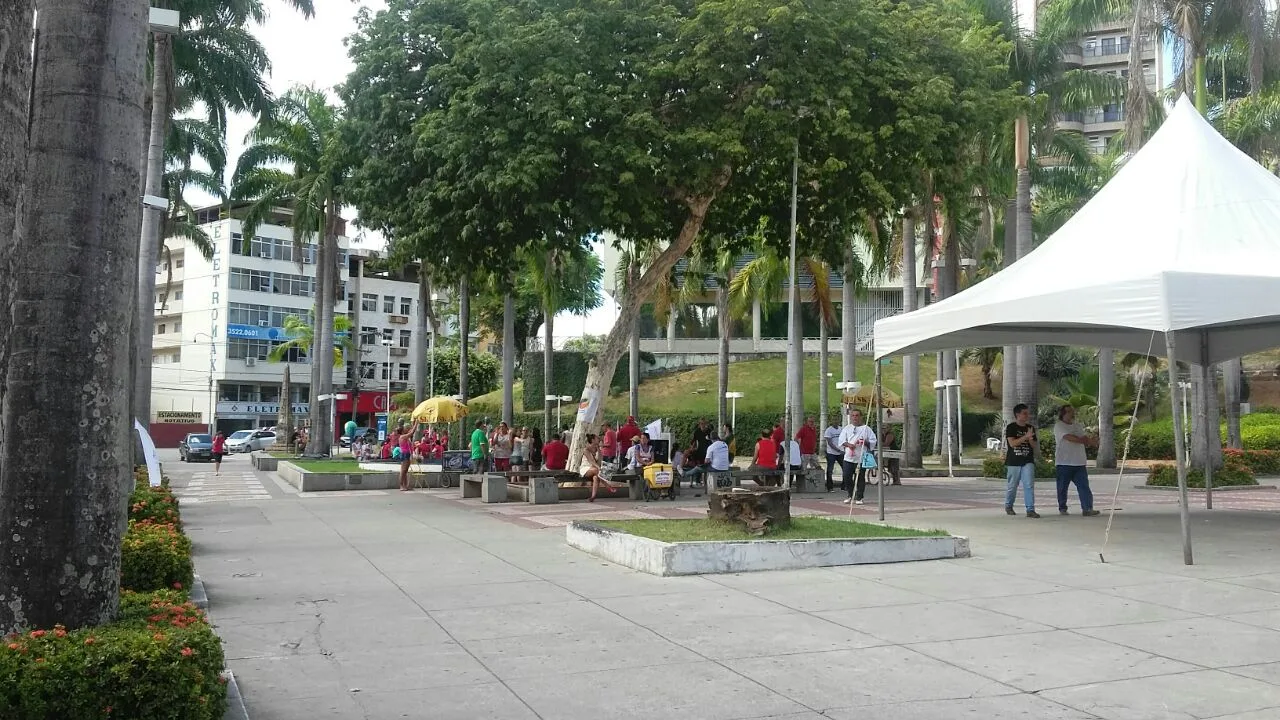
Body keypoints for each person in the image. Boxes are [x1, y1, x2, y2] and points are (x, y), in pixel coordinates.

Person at [1054, 405, 1099, 516]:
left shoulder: (1078, 425)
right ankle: (1062, 508)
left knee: (1083, 486)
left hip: (1079, 462)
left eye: (1073, 411)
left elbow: (1084, 438)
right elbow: (1069, 437)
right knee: (1062, 487)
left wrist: (1090, 441)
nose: (1072, 414)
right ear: (1063, 413)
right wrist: (1082, 440)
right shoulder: (1059, 426)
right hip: (1064, 462)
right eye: (1069, 411)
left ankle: (1087, 508)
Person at [1005, 403, 1040, 518]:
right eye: (1024, 413)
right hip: (1014, 460)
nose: (1027, 416)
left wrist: (1030, 438)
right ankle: (1009, 505)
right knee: (1012, 485)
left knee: (1029, 484)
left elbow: (1034, 445)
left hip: (1027, 460)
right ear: (1017, 414)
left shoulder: (1030, 428)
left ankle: (1030, 509)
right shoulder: (1011, 427)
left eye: (1027, 413)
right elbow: (1012, 443)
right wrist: (1025, 437)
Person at [839, 409, 877, 505]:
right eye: (853, 415)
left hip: (860, 457)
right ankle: (850, 494)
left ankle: (859, 497)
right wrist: (849, 445)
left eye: (857, 415)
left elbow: (873, 442)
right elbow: (842, 440)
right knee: (846, 476)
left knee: (860, 477)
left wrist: (865, 442)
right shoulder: (847, 428)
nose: (855, 417)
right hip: (848, 457)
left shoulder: (866, 429)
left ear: (860, 417)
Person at [581, 434, 616, 501]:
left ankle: (593, 496)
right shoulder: (586, 449)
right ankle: (607, 485)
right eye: (597, 439)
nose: (599, 440)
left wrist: (599, 451)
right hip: (586, 468)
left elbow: (599, 462)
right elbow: (591, 461)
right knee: (596, 470)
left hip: (596, 470)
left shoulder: (598, 450)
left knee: (596, 477)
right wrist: (598, 468)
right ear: (593, 440)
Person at [398, 423, 418, 491]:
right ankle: (401, 485)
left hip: (407, 454)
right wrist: (416, 423)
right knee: (403, 470)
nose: (406, 429)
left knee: (405, 471)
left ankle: (405, 485)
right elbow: (412, 432)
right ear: (403, 431)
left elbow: (411, 430)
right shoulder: (403, 437)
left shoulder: (405, 436)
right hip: (404, 454)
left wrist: (414, 422)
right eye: (405, 429)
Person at [823, 420, 842, 492]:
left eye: (837, 421)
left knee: (845, 469)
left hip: (840, 453)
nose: (836, 422)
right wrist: (837, 450)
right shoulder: (829, 430)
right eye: (834, 421)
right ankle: (830, 487)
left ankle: (844, 486)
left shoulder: (841, 429)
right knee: (830, 470)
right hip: (831, 453)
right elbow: (830, 443)